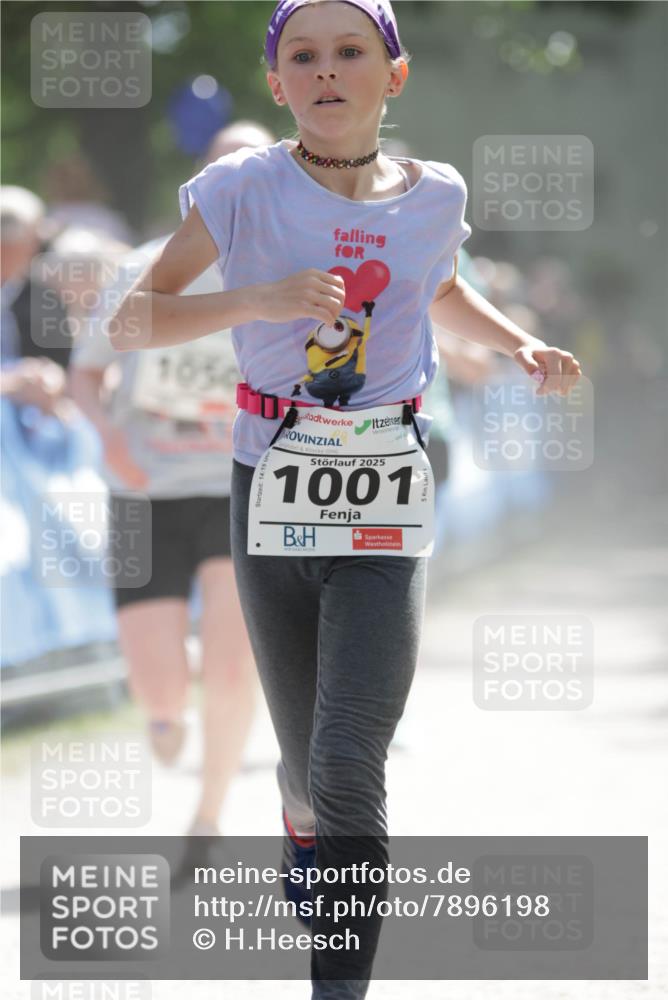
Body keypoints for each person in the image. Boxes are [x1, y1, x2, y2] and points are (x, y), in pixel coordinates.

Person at [111, 1, 582, 994]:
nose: (326, 72)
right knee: (304, 777)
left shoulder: (434, 193)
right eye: (303, 57)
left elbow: (436, 284)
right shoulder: (241, 188)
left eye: (349, 53)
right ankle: (300, 822)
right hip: (267, 478)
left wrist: (515, 343)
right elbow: (132, 321)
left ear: (391, 76)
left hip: (387, 481)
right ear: (276, 83)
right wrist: (258, 299)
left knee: (346, 755)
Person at [70, 122, 273, 836]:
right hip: (143, 489)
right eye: (224, 171)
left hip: (238, 488)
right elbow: (86, 372)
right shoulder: (143, 268)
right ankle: (164, 703)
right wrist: (108, 436)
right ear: (202, 183)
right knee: (157, 682)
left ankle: (210, 812)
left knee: (231, 664)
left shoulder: (290, 275)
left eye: (253, 171)